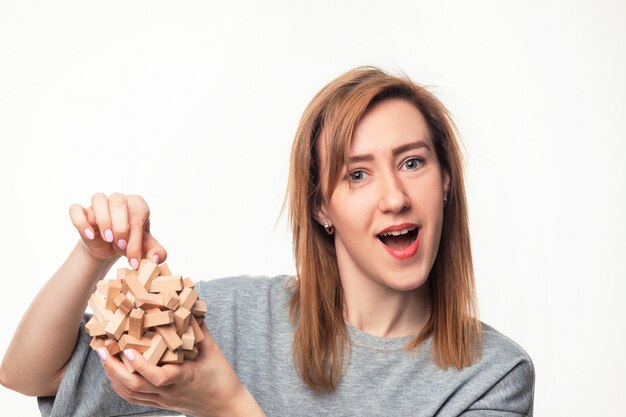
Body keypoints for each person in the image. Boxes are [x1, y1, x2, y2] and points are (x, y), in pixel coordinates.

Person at [0, 67, 535, 416]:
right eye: (357, 174)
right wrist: (91, 256)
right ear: (321, 207)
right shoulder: (234, 319)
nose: (394, 196)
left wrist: (225, 404)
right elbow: (30, 375)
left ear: (445, 182)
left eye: (412, 162)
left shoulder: (491, 377)